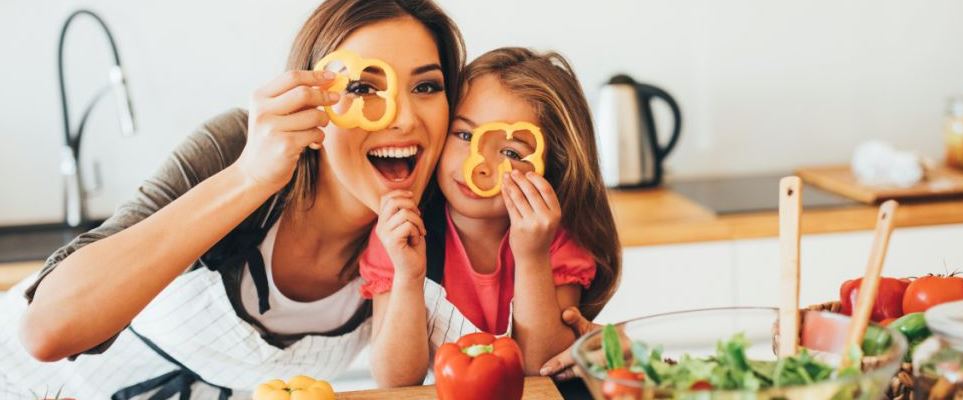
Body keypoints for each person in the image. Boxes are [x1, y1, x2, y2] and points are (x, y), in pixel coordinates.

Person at [0, 0, 464, 398]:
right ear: (314, 98)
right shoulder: (237, 150)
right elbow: (46, 331)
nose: (402, 117)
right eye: (363, 87)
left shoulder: (417, 237)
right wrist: (250, 177)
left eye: (426, 86)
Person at [359, 48, 622, 386]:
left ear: (552, 168)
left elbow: (542, 368)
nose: (478, 165)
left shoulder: (556, 239)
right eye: (465, 136)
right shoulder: (400, 231)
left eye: (511, 152)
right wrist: (409, 276)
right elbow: (395, 380)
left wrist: (532, 256)